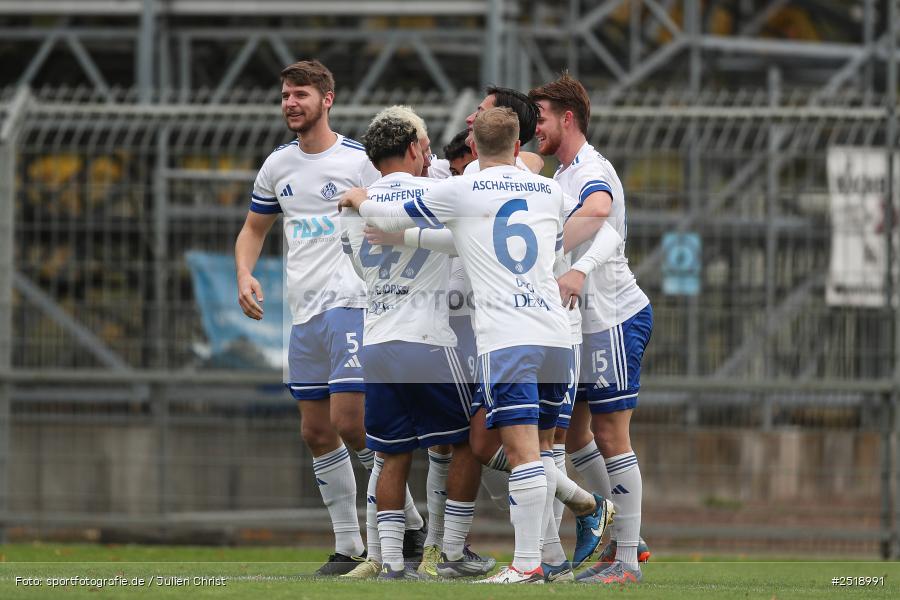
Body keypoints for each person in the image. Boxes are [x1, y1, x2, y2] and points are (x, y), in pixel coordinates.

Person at [342, 107, 585, 584]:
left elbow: (391, 212)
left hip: (505, 337)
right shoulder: (551, 191)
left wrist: (360, 197)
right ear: (519, 146)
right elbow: (547, 247)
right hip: (556, 334)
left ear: (473, 149)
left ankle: (525, 563)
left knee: (515, 454)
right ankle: (533, 552)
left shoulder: (460, 189)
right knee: (539, 448)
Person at [234, 60, 424, 576]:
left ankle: (404, 523)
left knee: (353, 423)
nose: (290, 103)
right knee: (317, 432)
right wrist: (244, 273)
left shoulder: (360, 160)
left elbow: (401, 202)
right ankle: (351, 545)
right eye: (285, 96)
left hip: (353, 304)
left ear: (327, 99)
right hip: (304, 314)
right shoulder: (277, 166)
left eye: (300, 94)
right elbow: (253, 229)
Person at [530, 73, 654, 585]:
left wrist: (557, 247)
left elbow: (600, 210)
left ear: (567, 118)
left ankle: (626, 560)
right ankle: (623, 537)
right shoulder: (560, 176)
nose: (532, 127)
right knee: (574, 434)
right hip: (580, 324)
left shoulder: (589, 169)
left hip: (613, 319)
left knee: (609, 434)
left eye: (539, 118)